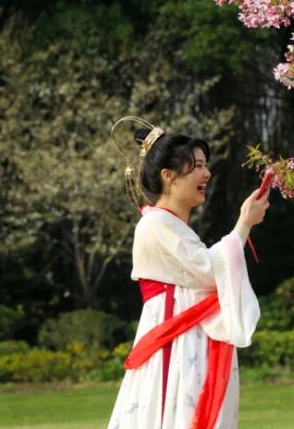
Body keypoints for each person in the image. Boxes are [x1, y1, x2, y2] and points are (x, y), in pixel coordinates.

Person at [107, 120, 269, 429]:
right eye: (195, 166)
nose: (206, 174)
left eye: (205, 166)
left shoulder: (172, 225)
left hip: (183, 333)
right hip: (174, 337)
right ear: (168, 177)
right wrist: (243, 224)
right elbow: (208, 270)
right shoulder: (156, 223)